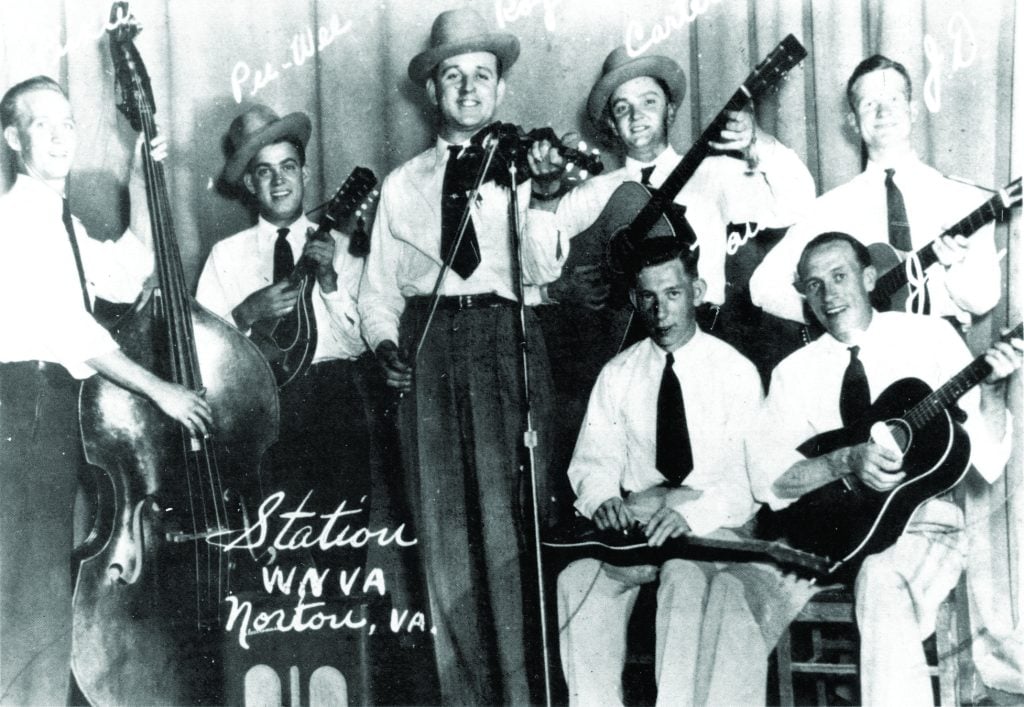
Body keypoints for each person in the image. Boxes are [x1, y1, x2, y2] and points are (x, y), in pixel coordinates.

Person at [356, 8, 566, 704]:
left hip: (508, 344)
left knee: (514, 537)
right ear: (432, 92)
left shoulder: (528, 163)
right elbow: (377, 294)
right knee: (443, 541)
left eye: (483, 75)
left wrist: (548, 195)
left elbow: (543, 272)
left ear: (501, 89)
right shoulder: (402, 183)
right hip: (428, 350)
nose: (469, 88)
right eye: (454, 76)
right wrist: (388, 346)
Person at [0, 75, 211, 705]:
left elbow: (132, 265)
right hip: (23, 405)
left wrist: (142, 170)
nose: (62, 135)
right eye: (43, 124)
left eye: (68, 122)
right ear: (13, 139)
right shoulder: (15, 223)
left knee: (38, 588)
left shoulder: (62, 224)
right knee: (26, 590)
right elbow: (72, 330)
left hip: (50, 409)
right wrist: (161, 391)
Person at [751, 232, 1021, 705]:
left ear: (870, 277)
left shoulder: (929, 336)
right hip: (831, 539)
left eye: (839, 277)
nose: (829, 295)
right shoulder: (792, 373)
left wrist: (996, 392)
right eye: (814, 285)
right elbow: (771, 480)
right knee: (733, 595)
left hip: (925, 528)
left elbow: (990, 459)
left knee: (880, 579)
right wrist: (844, 460)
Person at [557, 235, 816, 706]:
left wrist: (689, 517)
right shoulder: (619, 373)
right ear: (636, 300)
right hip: (638, 532)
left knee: (682, 573)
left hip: (715, 529)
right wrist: (604, 499)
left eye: (673, 294)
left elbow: (745, 483)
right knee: (577, 580)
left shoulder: (734, 371)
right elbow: (593, 460)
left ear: (695, 292)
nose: (660, 310)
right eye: (649, 297)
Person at [528, 45, 816, 387]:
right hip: (618, 357)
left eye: (649, 101)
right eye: (623, 108)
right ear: (611, 124)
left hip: (704, 343)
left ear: (670, 110)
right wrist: (545, 195)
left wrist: (760, 143)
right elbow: (535, 267)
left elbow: (797, 202)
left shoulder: (714, 173)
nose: (637, 116)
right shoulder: (590, 195)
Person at [196, 105, 371, 576]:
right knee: (273, 554)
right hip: (262, 415)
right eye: (264, 172)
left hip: (334, 408)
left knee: (342, 550)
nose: (278, 182)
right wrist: (245, 313)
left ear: (306, 174)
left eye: (288, 167)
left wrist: (330, 281)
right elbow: (202, 358)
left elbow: (359, 343)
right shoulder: (225, 257)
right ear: (250, 184)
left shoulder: (343, 247)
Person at [750, 54, 1001, 329]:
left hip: (945, 357)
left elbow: (983, 301)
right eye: (869, 104)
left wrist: (956, 266)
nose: (883, 112)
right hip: (866, 363)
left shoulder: (962, 198)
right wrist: (826, 315)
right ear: (854, 122)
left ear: (913, 110)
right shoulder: (827, 209)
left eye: (893, 99)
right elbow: (763, 285)